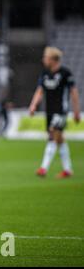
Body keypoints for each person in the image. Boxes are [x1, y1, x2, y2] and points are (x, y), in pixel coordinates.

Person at [29, 46, 81, 178]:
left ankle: (43, 168)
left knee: (52, 135)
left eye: (45, 57)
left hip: (61, 110)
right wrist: (33, 105)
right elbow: (40, 91)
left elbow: (74, 92)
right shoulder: (45, 74)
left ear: (53, 59)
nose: (43, 60)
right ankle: (68, 170)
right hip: (50, 111)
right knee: (60, 140)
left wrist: (76, 111)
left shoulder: (65, 73)